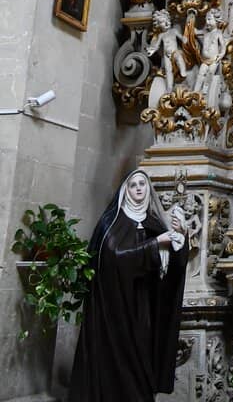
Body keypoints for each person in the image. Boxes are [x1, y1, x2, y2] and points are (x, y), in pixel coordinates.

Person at [68, 169, 188, 402]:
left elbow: (174, 266)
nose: (139, 189)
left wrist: (180, 236)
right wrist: (155, 244)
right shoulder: (111, 221)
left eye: (142, 184)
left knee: (142, 362)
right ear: (126, 191)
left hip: (145, 306)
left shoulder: (153, 222)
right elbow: (113, 258)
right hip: (115, 310)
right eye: (133, 185)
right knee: (120, 363)